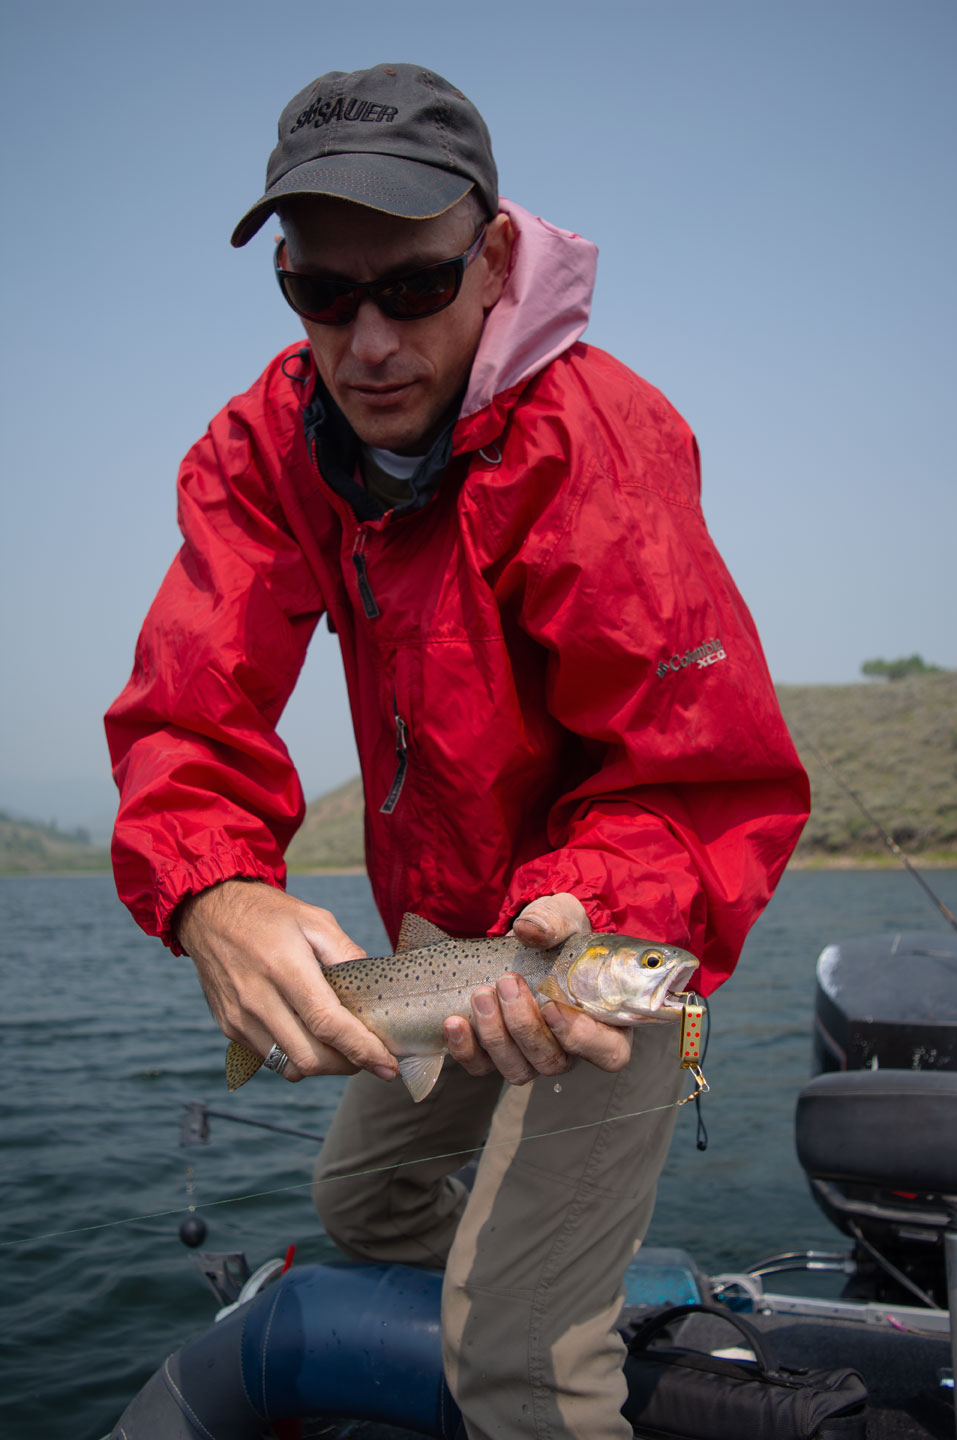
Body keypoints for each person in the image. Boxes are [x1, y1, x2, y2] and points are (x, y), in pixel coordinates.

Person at [105, 63, 809, 1440]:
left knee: (519, 1366)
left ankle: (537, 1333)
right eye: (323, 293)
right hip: (444, 935)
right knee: (355, 1202)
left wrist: (595, 917)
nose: (368, 342)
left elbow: (696, 778)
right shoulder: (264, 448)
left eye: (415, 288)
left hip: (601, 944)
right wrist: (211, 890)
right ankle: (532, 1277)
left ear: (492, 261)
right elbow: (190, 707)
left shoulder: (597, 444)